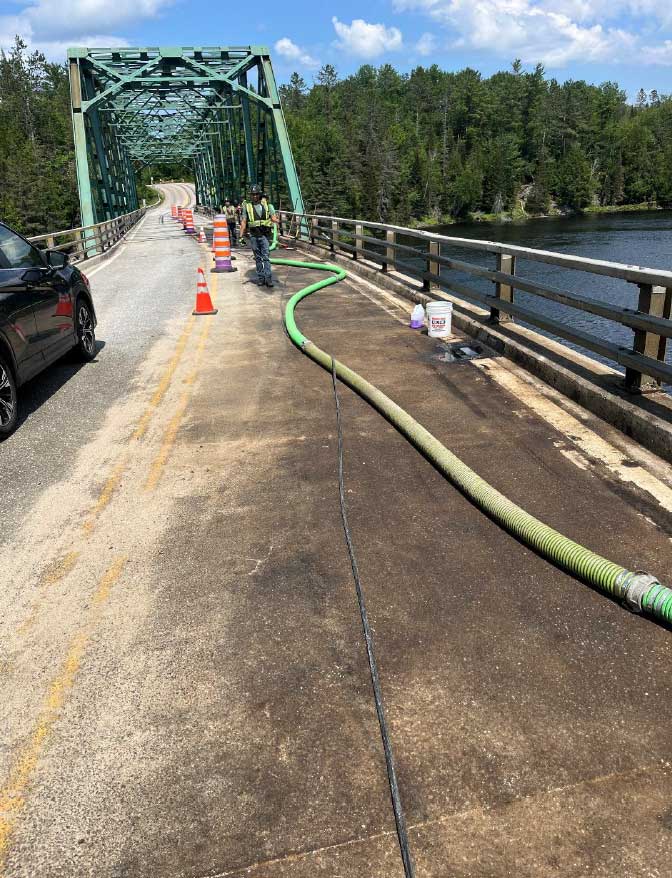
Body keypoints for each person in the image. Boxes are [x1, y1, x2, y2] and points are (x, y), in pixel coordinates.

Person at [239, 184, 278, 288]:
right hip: (253, 236)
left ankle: (268, 279)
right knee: (258, 258)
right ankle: (261, 278)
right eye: (252, 194)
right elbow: (243, 222)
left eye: (256, 194)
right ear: (250, 195)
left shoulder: (267, 206)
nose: (254, 196)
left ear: (259, 194)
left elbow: (273, 218)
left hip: (264, 236)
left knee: (265, 257)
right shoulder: (247, 207)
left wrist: (277, 221)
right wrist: (241, 236)